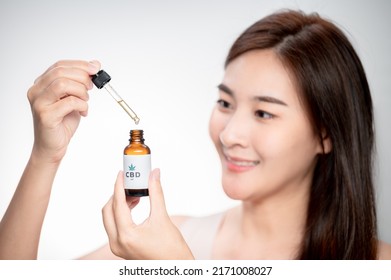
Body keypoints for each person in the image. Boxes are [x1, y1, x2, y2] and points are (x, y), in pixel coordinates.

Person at [0, 10, 390, 260]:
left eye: (264, 112)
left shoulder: (375, 264)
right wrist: (44, 156)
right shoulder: (168, 236)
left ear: (326, 134)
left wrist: (177, 270)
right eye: (225, 103)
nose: (230, 133)